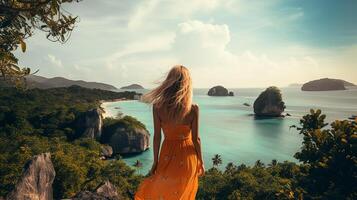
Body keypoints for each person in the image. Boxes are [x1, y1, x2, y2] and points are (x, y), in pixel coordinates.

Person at [135, 65, 205, 200]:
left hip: (166, 155)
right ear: (187, 84)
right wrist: (201, 162)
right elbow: (196, 139)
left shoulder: (157, 107)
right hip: (188, 158)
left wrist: (155, 162)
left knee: (164, 191)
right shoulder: (193, 109)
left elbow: (156, 137)